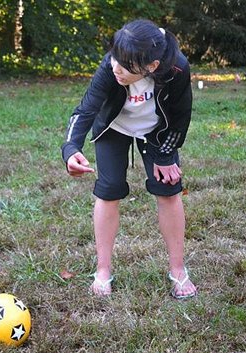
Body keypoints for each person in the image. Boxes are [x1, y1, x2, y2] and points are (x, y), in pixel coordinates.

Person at [61, 19, 197, 299]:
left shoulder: (177, 68)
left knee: (169, 191)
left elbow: (181, 116)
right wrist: (71, 148)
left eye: (124, 66)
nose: (116, 69)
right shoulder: (112, 65)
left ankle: (178, 271)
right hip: (115, 128)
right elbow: (85, 110)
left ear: (152, 67)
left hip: (157, 132)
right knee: (108, 191)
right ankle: (102, 271)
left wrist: (166, 154)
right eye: (114, 60)